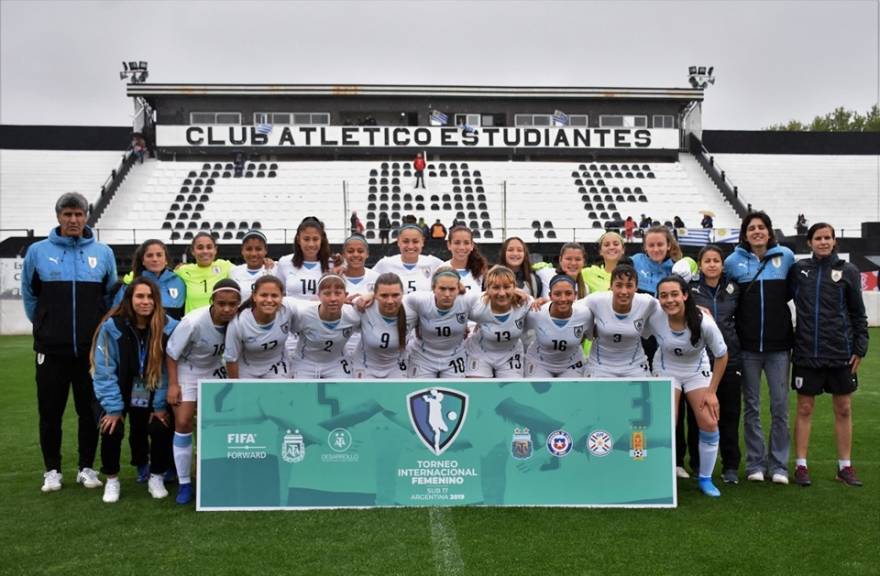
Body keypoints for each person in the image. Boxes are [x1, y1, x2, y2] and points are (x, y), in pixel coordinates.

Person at [21, 192, 118, 493]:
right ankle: (52, 470)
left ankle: (86, 468)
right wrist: (45, 326)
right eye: (68, 214)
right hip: (51, 350)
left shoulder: (103, 253)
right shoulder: (38, 251)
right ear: (58, 216)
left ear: (87, 216)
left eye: (79, 214)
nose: (73, 220)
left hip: (90, 352)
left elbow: (110, 297)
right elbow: (30, 294)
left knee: (89, 411)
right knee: (50, 413)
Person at [789, 223, 868, 487]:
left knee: (844, 408)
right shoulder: (799, 271)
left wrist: (860, 347)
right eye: (818, 238)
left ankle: (844, 466)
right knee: (804, 407)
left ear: (834, 241)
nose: (823, 242)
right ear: (809, 242)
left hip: (840, 353)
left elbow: (858, 313)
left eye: (828, 238)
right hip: (807, 352)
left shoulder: (849, 271)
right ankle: (801, 465)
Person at [90, 277, 177, 503]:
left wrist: (159, 405)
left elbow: (167, 370)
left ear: (157, 300)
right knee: (111, 427)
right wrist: (113, 408)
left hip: (151, 386)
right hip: (117, 388)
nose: (145, 301)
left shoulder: (168, 326)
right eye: (140, 296)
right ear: (129, 299)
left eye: (150, 297)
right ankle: (112, 480)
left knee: (160, 426)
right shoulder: (111, 327)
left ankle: (156, 476)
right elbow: (103, 369)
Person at [724, 211, 795, 484]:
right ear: (744, 233)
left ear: (769, 231)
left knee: (780, 407)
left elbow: (790, 293)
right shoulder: (732, 262)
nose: (757, 232)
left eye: (761, 227)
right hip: (748, 347)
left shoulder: (785, 257)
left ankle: (779, 466)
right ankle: (755, 463)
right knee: (751, 407)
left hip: (779, 347)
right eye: (751, 228)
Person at [647, 275, 729, 497]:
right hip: (665, 369)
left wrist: (711, 392)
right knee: (666, 423)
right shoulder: (654, 314)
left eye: (674, 294)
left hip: (696, 370)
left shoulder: (704, 322)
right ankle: (658, 475)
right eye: (663, 295)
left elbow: (722, 355)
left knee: (709, 422)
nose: (669, 300)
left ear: (685, 295)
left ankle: (705, 479)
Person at [165, 279, 241, 504]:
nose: (227, 309)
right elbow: (171, 354)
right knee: (184, 422)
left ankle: (211, 476)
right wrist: (173, 384)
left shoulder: (238, 320)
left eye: (232, 304)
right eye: (221, 304)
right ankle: (184, 483)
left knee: (217, 423)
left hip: (215, 369)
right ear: (213, 302)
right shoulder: (194, 321)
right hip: (188, 369)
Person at [686, 245, 743, 485]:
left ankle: (730, 465)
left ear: (722, 264)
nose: (711, 264)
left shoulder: (734, 289)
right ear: (700, 265)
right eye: (707, 260)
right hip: (699, 362)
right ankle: (699, 465)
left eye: (716, 260)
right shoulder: (691, 290)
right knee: (697, 415)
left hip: (729, 360)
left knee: (729, 414)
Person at [404, 266, 480, 378]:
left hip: (455, 357)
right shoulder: (418, 300)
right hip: (423, 357)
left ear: (458, 288)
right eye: (442, 289)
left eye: (452, 289)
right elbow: (390, 298)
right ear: (433, 288)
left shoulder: (467, 300)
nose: (447, 294)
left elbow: (494, 298)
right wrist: (371, 295)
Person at [583, 264, 656, 378]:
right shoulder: (596, 300)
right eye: (619, 285)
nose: (624, 291)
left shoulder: (647, 302)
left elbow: (671, 310)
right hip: (599, 367)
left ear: (636, 287)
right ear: (611, 286)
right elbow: (571, 310)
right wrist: (547, 306)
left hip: (635, 367)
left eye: (629, 286)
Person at [224, 276, 298, 379]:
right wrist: (235, 387)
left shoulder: (288, 310)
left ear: (282, 297)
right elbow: (231, 359)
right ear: (254, 296)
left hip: (278, 367)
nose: (269, 300)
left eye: (274, 295)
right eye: (263, 295)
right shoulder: (238, 322)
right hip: (246, 370)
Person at [466, 265, 533, 378]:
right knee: (477, 391)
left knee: (511, 394)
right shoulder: (477, 305)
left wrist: (544, 301)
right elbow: (453, 310)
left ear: (515, 287)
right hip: (480, 352)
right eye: (496, 287)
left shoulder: (525, 303)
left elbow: (547, 312)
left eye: (507, 287)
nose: (502, 293)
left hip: (510, 354)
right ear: (487, 289)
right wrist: (462, 325)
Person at [290, 274, 361, 379]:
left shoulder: (354, 315)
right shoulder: (303, 314)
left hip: (337, 362)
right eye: (327, 294)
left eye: (338, 293)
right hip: (304, 362)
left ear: (345, 295)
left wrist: (369, 296)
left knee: (343, 393)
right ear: (318, 295)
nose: (333, 298)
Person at [524, 275, 593, 378]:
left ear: (575, 295)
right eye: (557, 294)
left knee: (569, 393)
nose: (563, 299)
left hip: (572, 364)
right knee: (540, 393)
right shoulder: (537, 313)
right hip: (539, 363)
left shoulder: (585, 314)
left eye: (568, 293)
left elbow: (590, 336)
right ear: (550, 296)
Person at [350, 273, 410, 379]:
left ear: (403, 294)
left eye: (395, 295)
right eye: (384, 295)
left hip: (396, 368)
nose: (390, 301)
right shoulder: (364, 306)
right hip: (364, 367)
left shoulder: (412, 308)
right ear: (376, 295)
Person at [114, 239, 186, 319]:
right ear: (143, 261)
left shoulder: (179, 282)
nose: (155, 259)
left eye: (159, 255)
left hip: (174, 331)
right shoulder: (131, 283)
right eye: (149, 255)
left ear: (166, 260)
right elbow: (117, 315)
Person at [373, 223, 444, 293]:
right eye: (405, 241)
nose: (410, 246)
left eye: (415, 241)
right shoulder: (385, 264)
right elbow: (369, 285)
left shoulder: (434, 263)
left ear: (422, 242)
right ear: (398, 242)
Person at [175, 231, 233, 314]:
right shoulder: (183, 270)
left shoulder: (225, 266)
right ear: (193, 251)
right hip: (192, 325)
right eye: (200, 248)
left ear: (215, 250)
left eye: (209, 247)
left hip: (218, 324)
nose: (205, 251)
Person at [277, 216, 332, 301]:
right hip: (292, 314)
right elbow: (278, 294)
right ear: (298, 240)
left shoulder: (332, 264)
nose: (311, 244)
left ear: (322, 239)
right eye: (306, 239)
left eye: (315, 239)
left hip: (322, 314)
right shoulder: (284, 262)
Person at [228, 229, 277, 302]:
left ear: (265, 250)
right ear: (242, 250)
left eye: (258, 249)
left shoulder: (276, 269)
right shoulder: (234, 272)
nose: (253, 254)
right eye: (249, 249)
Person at [445, 224, 487, 293]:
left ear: (472, 245)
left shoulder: (480, 272)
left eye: (466, 243)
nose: (462, 247)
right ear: (449, 245)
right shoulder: (441, 270)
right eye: (457, 243)